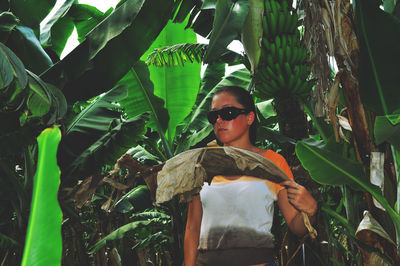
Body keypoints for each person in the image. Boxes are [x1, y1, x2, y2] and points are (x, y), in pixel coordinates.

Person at [184, 86, 318, 266]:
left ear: (250, 117)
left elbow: (296, 226)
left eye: (228, 113)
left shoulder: (272, 162)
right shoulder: (202, 164)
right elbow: (193, 227)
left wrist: (310, 211)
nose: (219, 120)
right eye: (213, 116)